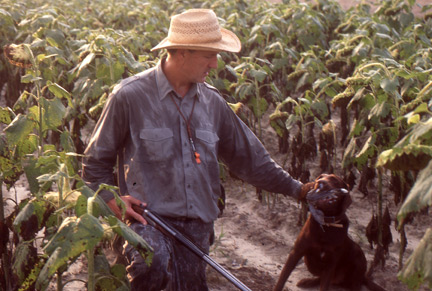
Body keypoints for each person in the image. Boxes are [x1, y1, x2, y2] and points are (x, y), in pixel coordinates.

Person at [82, 8, 310, 291]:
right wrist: (111, 198)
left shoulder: (212, 103)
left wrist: (300, 190)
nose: (215, 64)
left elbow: (251, 159)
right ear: (182, 53)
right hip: (147, 219)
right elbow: (94, 162)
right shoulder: (130, 96)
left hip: (196, 226)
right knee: (150, 264)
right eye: (209, 55)